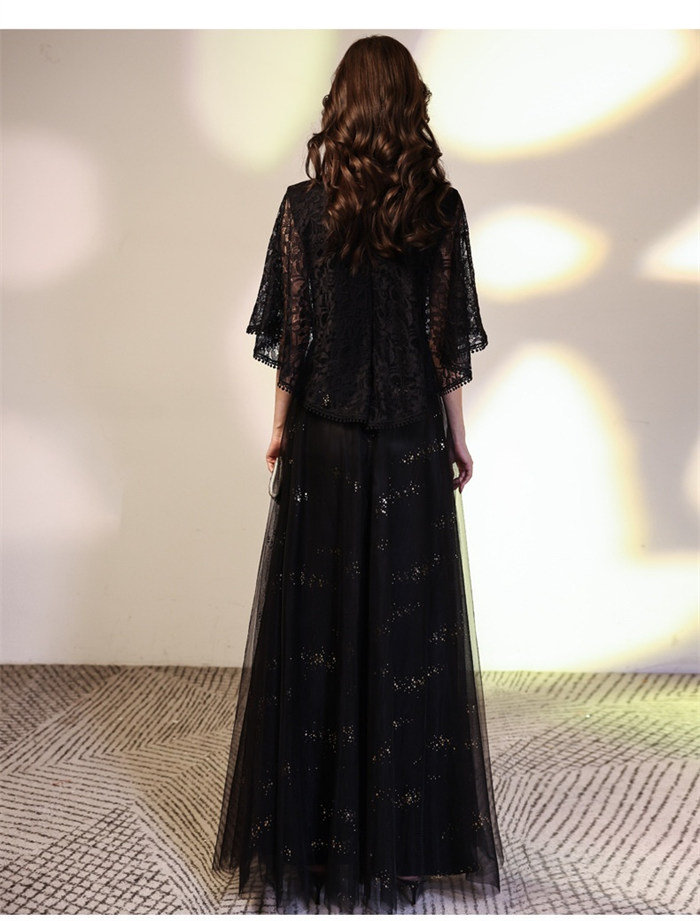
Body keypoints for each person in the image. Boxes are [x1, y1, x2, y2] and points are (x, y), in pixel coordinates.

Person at [212, 34, 502, 914]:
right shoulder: (438, 208)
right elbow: (445, 346)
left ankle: (311, 843)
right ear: (410, 106)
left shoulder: (304, 207)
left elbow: (292, 337)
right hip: (410, 443)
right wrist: (458, 439)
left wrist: (278, 430)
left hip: (327, 442)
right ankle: (403, 850)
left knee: (319, 635)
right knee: (407, 640)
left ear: (341, 105)